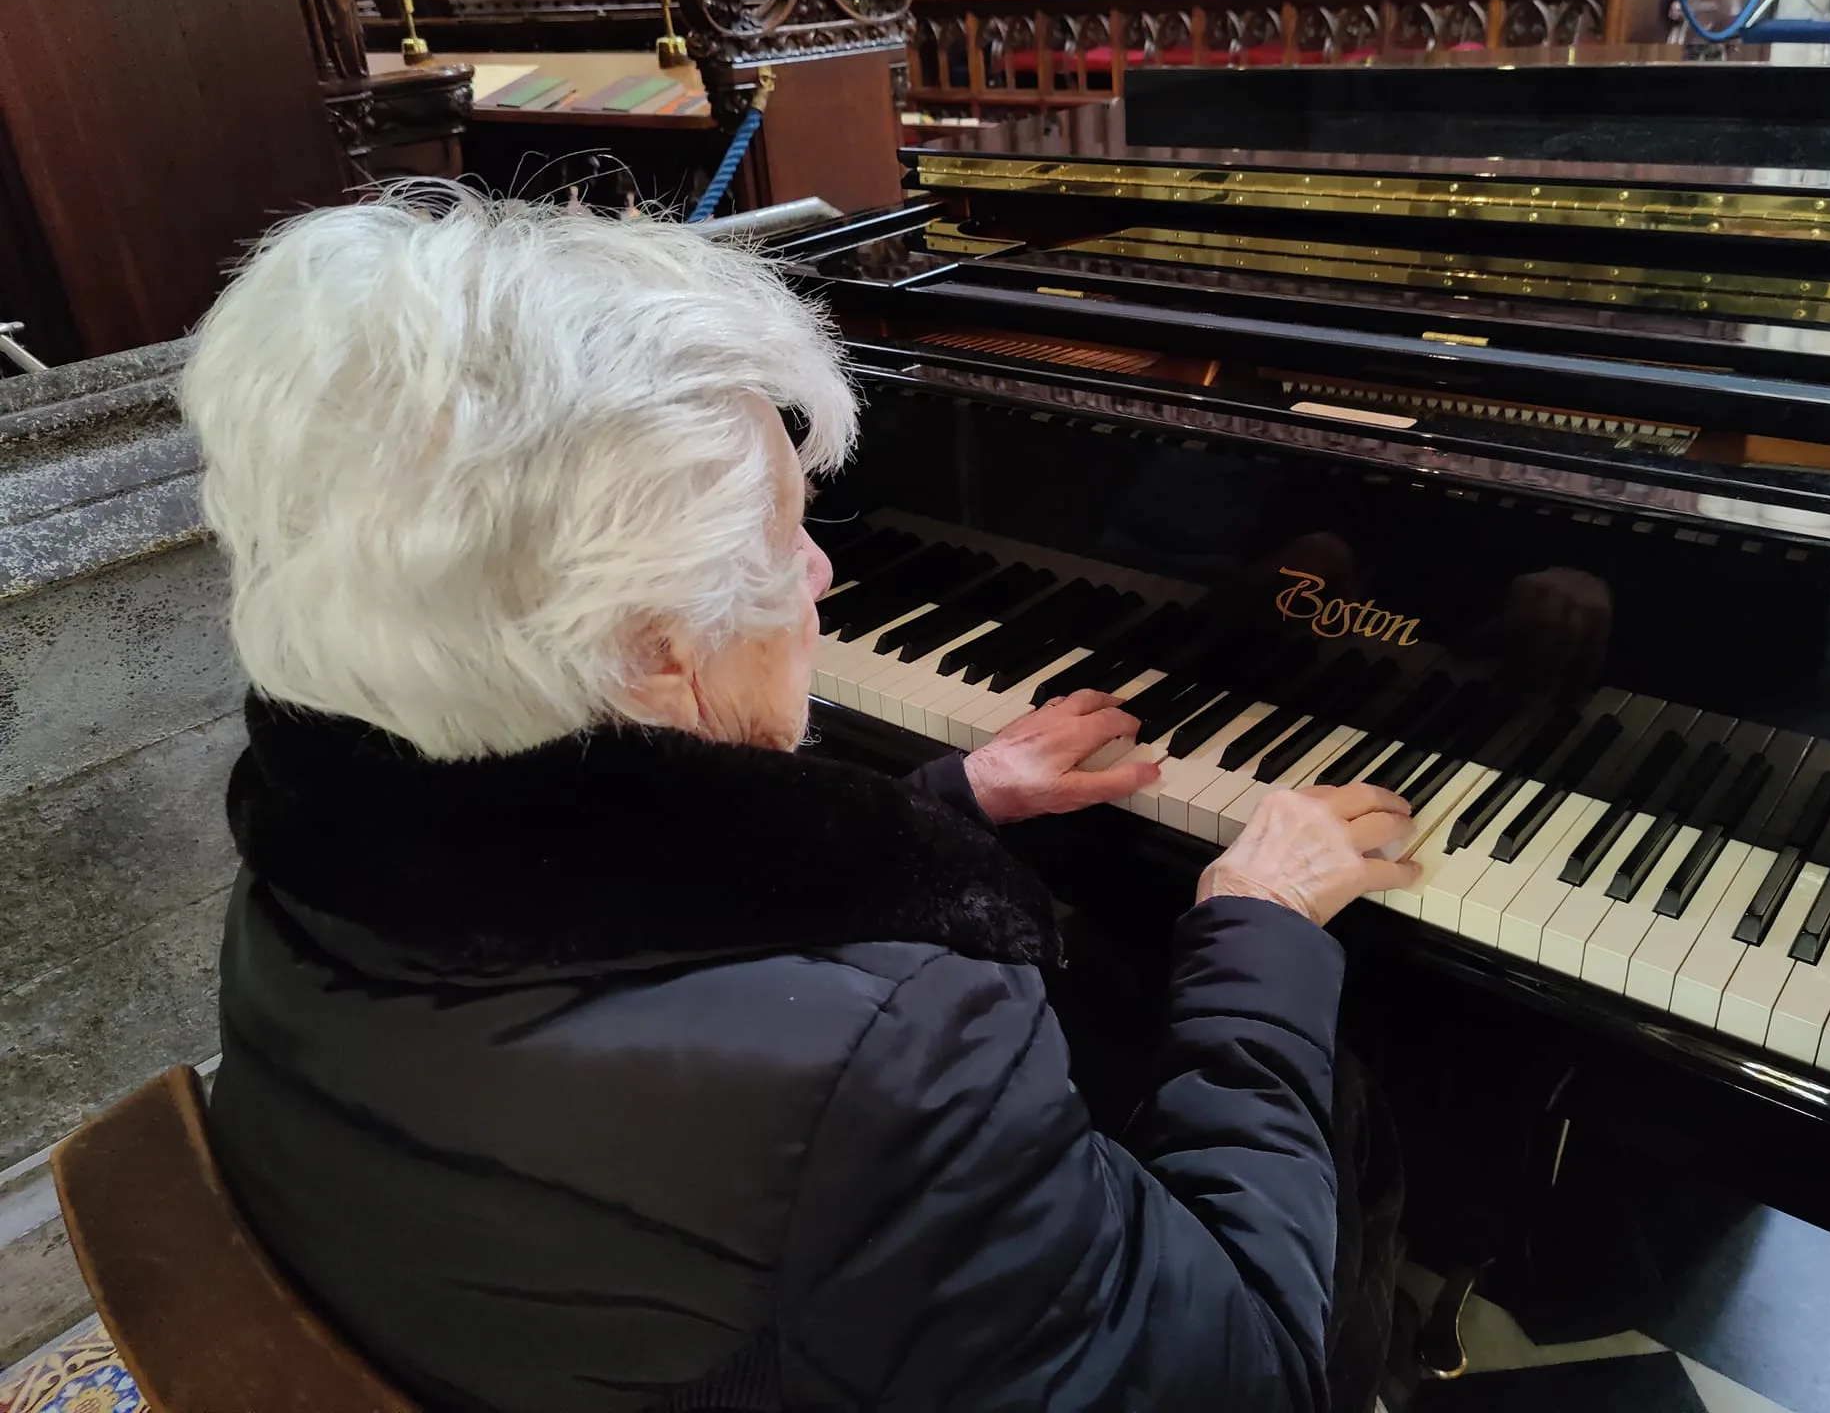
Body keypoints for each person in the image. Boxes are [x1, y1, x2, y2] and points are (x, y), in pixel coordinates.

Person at [182, 187, 1421, 1413]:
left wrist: (948, 800)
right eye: (784, 536)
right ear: (658, 648)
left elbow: (620, 915)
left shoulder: (318, 829)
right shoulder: (893, 1051)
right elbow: (1245, 1375)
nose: (823, 570)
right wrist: (1256, 924)